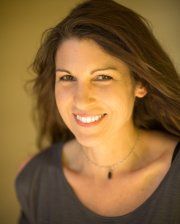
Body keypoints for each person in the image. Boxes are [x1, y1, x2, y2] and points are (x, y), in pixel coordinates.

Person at [15, 0, 180, 223]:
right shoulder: (36, 180)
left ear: (140, 83)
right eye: (67, 77)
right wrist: (37, 177)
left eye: (102, 77)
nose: (81, 100)